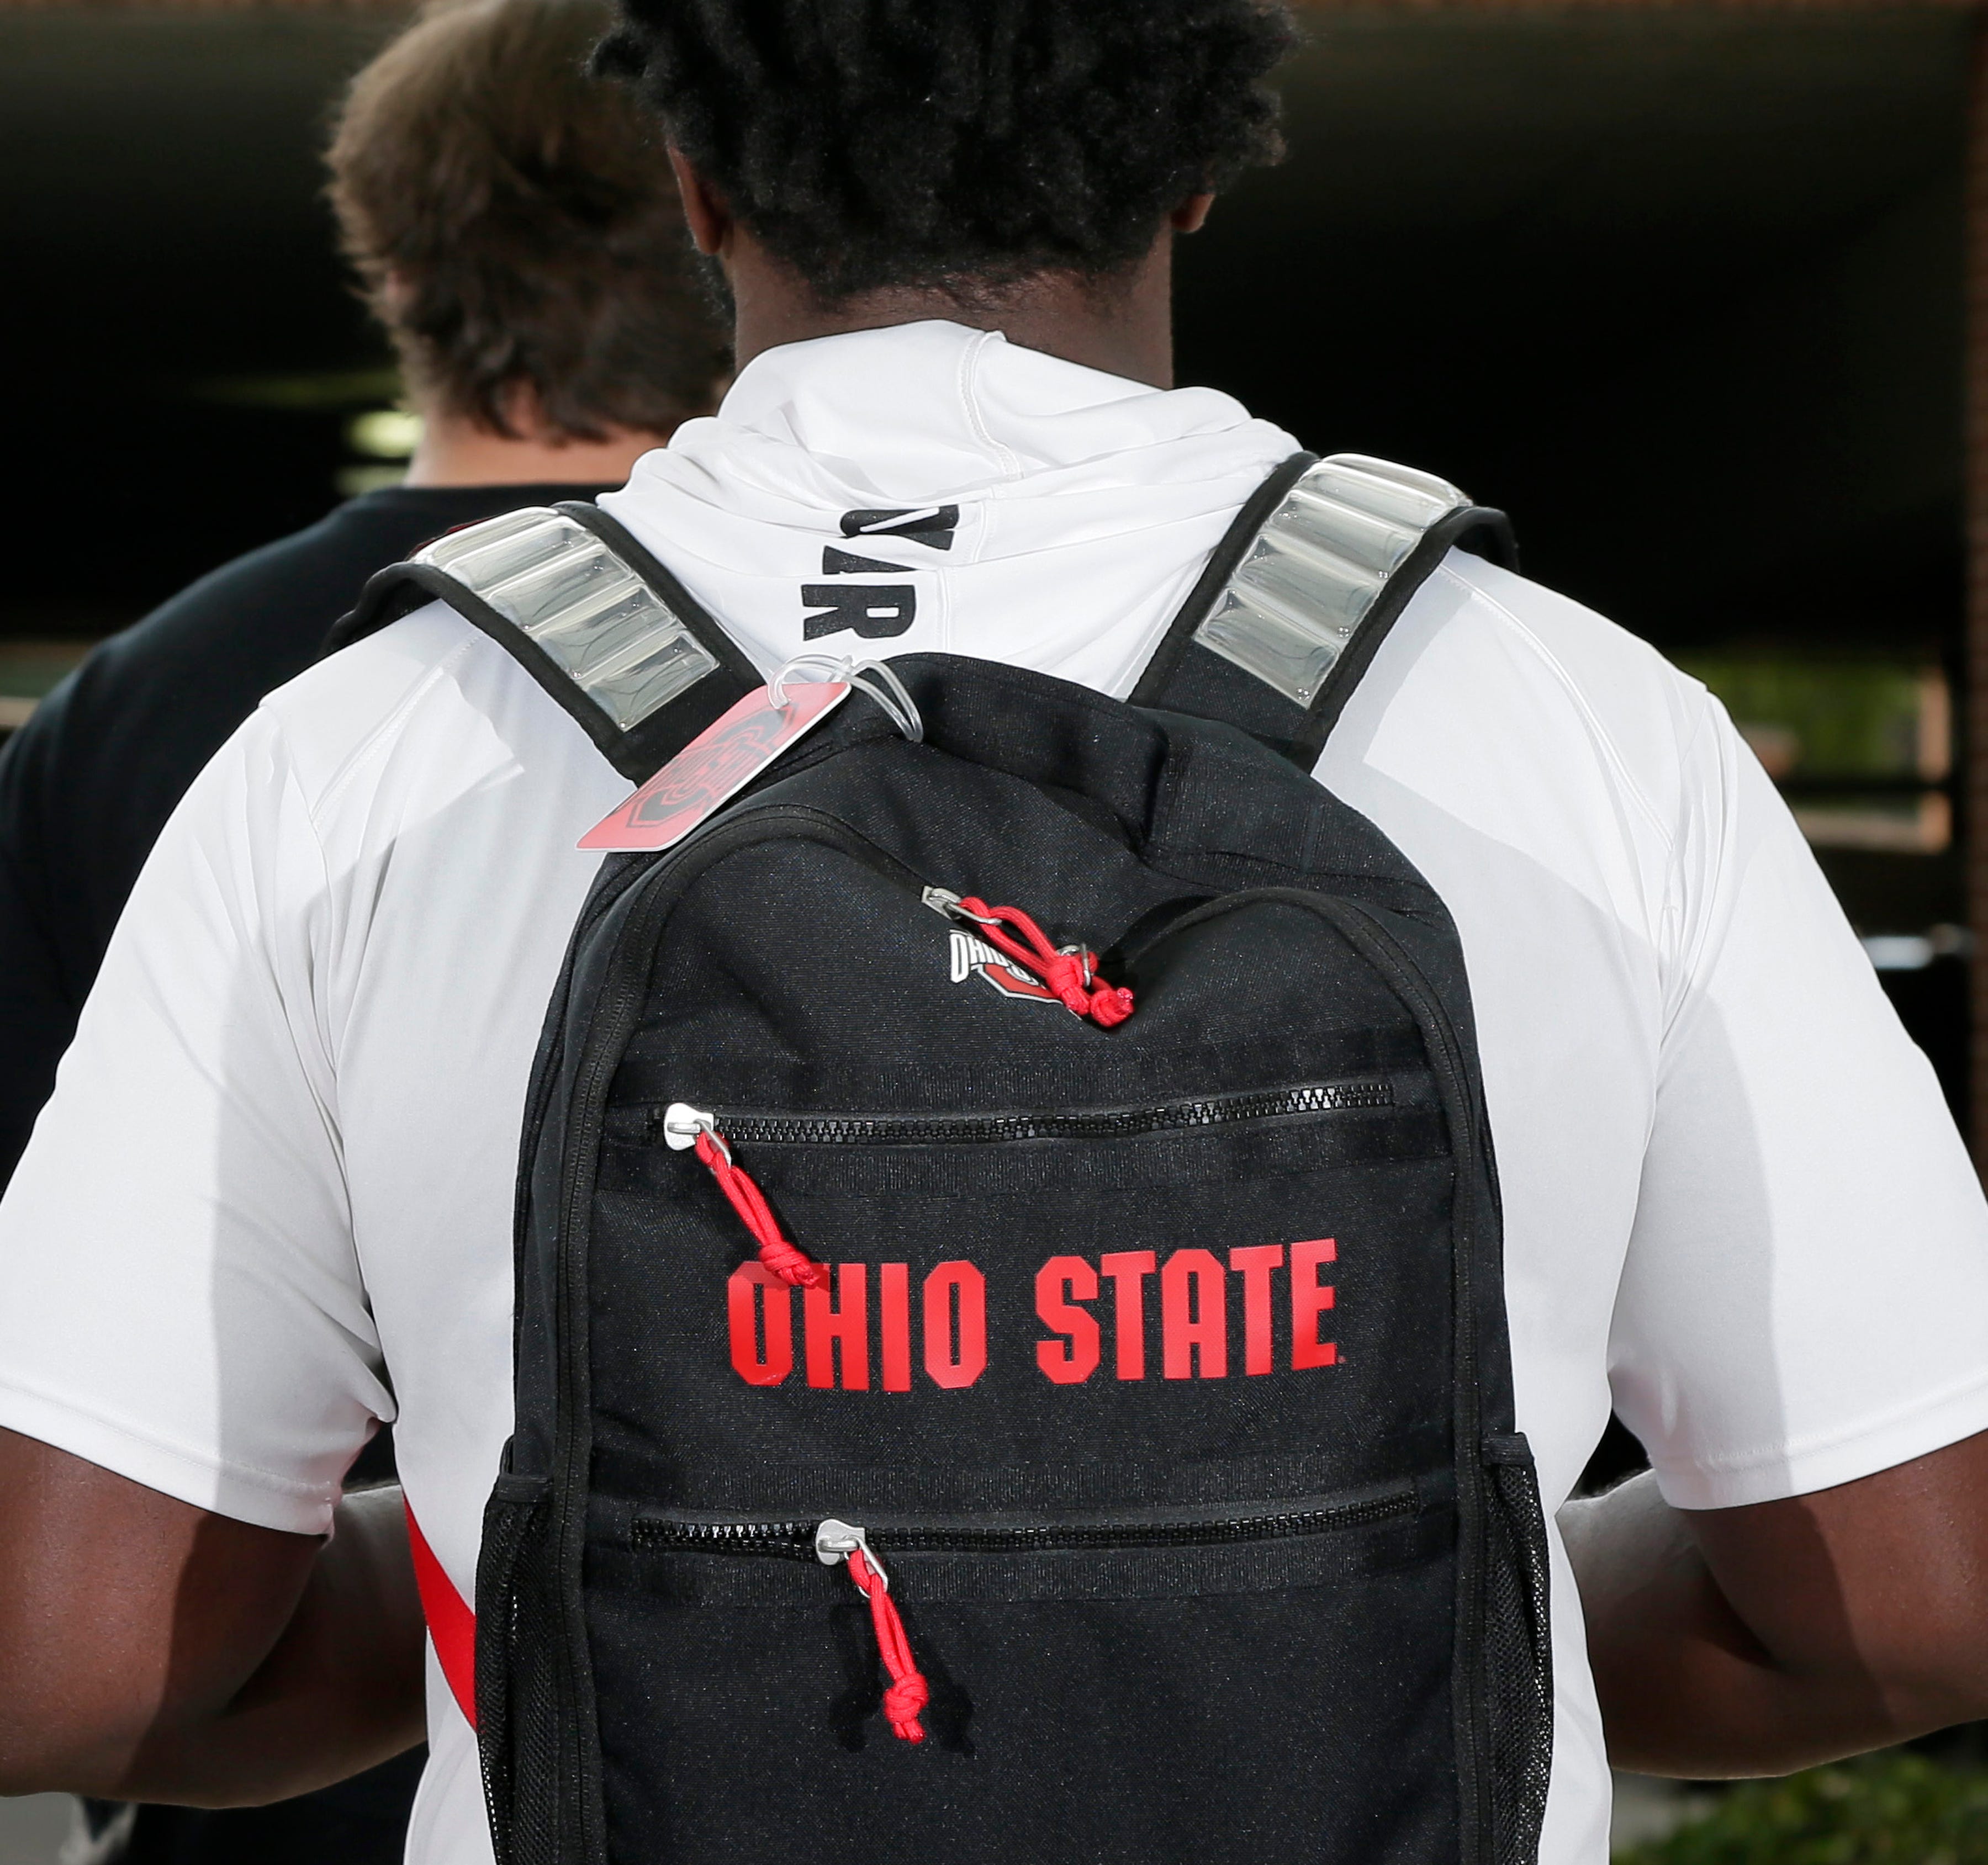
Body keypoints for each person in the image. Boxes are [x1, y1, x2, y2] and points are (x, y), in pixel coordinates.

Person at [2, 2, 1986, 1861]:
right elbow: (1909, 1596)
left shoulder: (369, 753)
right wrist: (1425, 1620)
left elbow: (74, 1643)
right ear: (1196, 165)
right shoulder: (1575, 723)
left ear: (694, 173)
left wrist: (557, 1564)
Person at [0, 0, 721, 1857]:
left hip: (255, 1738)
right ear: (729, 224)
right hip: (769, 1707)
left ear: (393, 261)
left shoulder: (162, 710)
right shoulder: (881, 672)